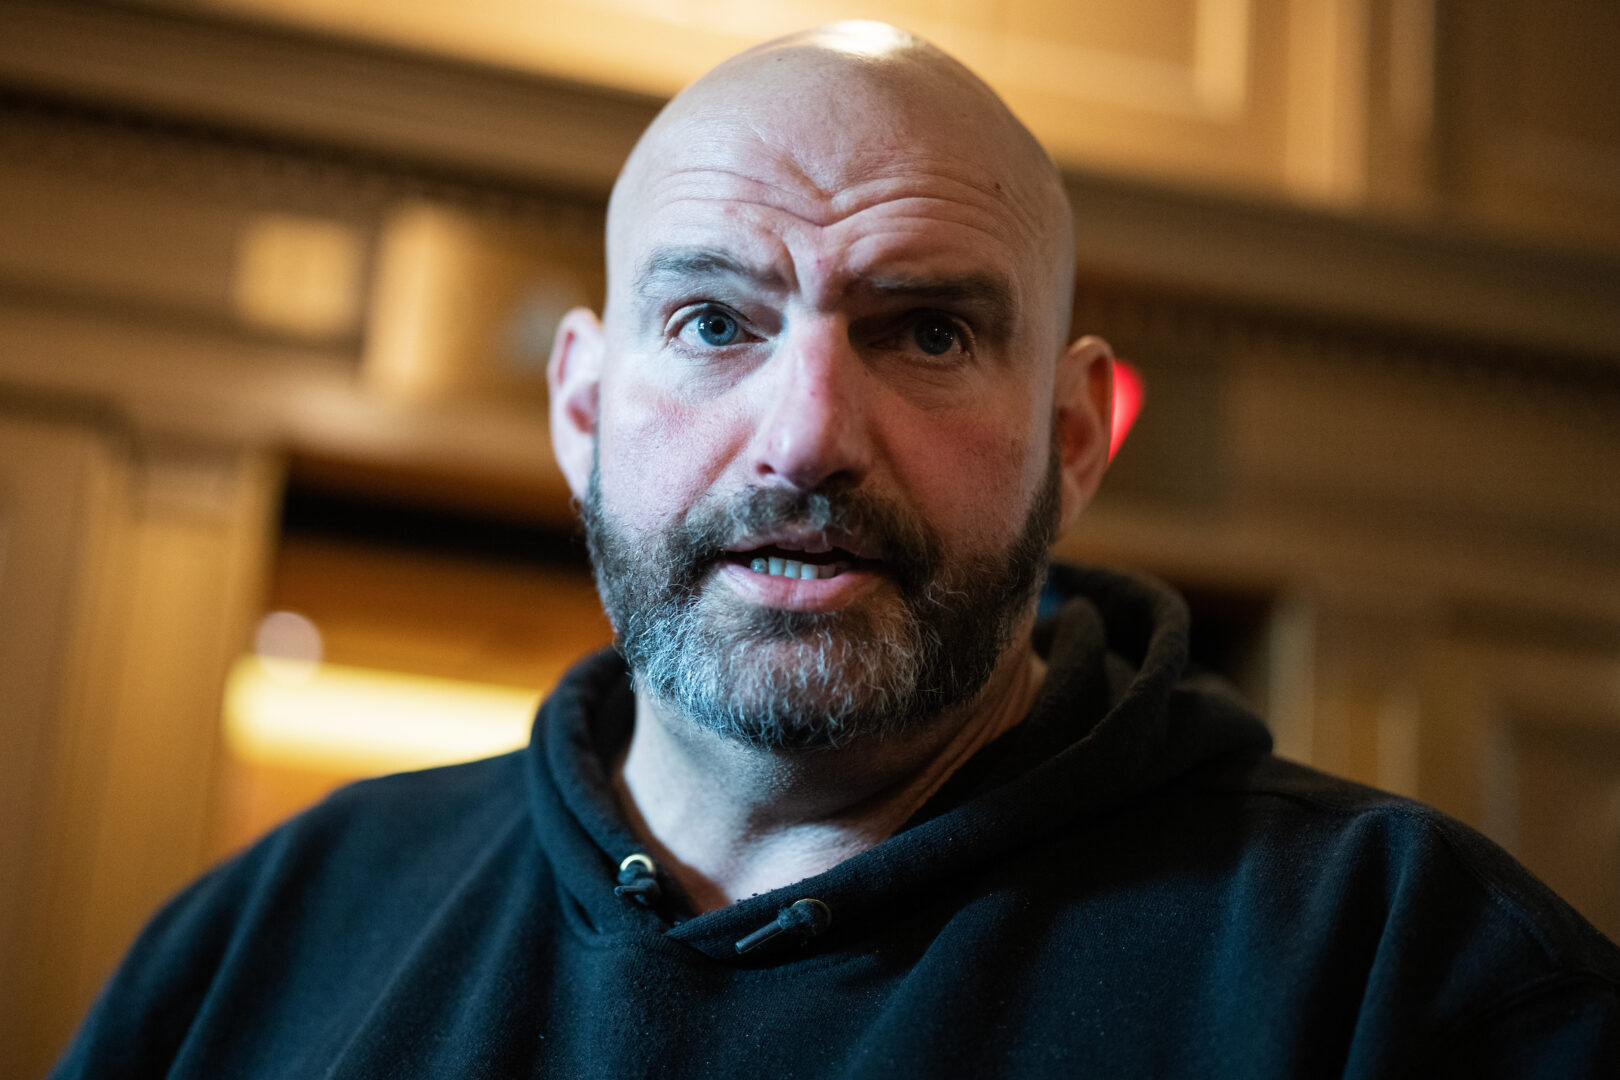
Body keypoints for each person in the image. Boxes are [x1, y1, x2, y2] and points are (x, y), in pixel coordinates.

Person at [53, 22, 1620, 1079]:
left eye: (927, 331)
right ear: (586, 406)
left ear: (1075, 441)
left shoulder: (1408, 975)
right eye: (715, 322)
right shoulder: (261, 940)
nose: (806, 436)